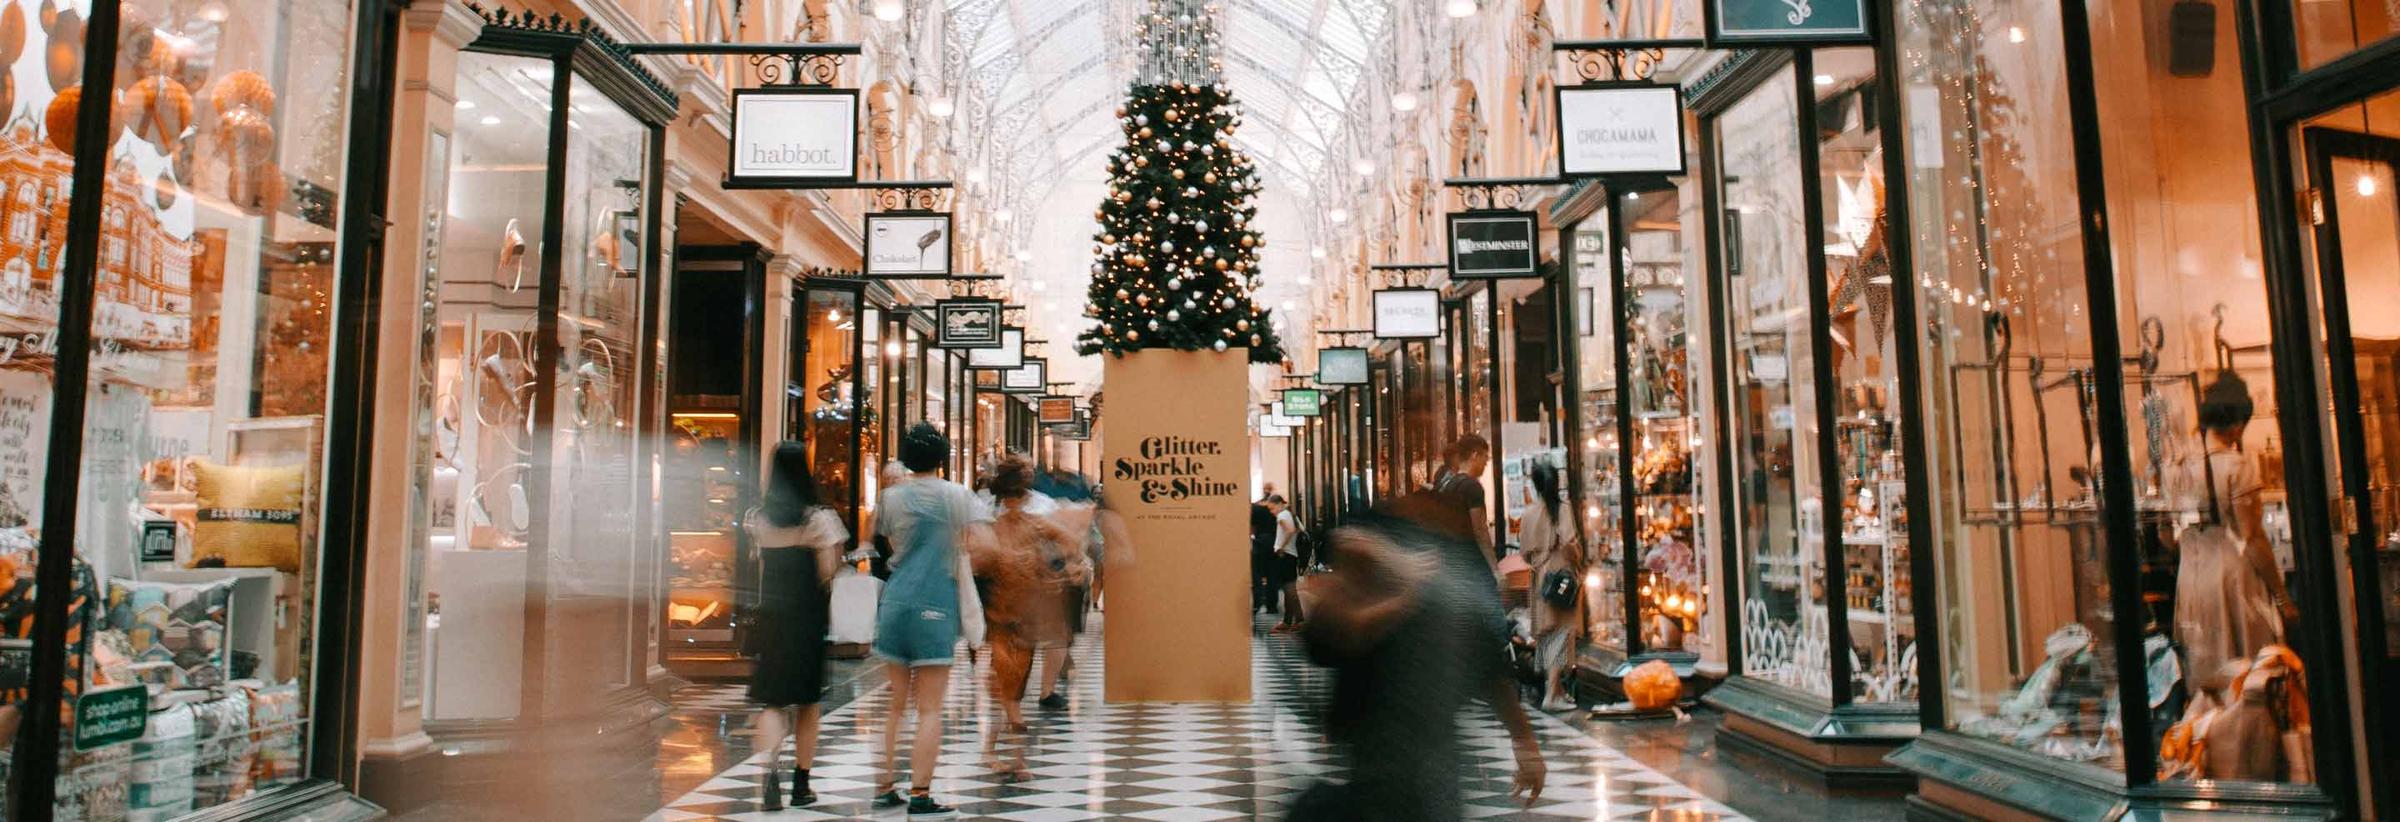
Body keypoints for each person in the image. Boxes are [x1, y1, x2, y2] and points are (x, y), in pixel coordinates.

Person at [1288, 509, 1545, 821]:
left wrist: (1524, 741)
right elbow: (1331, 635)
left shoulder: (1432, 601)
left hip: (1422, 761)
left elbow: (1488, 668)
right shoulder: (1368, 601)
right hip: (1381, 759)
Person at [868, 423, 994, 816]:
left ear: (905, 458)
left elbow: (879, 539)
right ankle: (920, 794)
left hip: (895, 601)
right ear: (942, 459)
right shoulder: (958, 497)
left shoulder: (890, 498)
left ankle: (884, 787)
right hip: (935, 603)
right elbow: (987, 546)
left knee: (894, 705)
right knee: (930, 708)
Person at [2171, 372, 2296, 697]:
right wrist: (2281, 597)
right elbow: (2252, 540)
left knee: (2205, 676)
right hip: (2233, 582)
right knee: (2247, 675)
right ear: (2238, 423)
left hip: (2192, 581)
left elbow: (2165, 535)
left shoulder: (2179, 466)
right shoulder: (2236, 467)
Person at [969, 455, 1093, 779]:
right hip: (1023, 612)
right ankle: (1006, 753)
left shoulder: (991, 521)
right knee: (1009, 687)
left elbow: (976, 560)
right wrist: (1066, 567)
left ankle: (1005, 753)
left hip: (1000, 613)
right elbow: (1070, 542)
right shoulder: (1036, 521)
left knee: (1005, 686)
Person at [745, 443, 848, 809]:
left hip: (772, 618)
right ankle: (801, 783)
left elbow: (759, 565)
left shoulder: (758, 519)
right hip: (806, 620)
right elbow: (827, 571)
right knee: (807, 702)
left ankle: (769, 774)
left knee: (773, 701)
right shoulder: (818, 521)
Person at [1520, 461, 1585, 712]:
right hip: (1560, 576)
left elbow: (1525, 552)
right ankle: (1551, 693)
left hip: (1539, 577)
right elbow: (1569, 542)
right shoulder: (1562, 509)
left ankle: (1556, 689)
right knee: (1562, 630)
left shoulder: (1528, 514)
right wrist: (1577, 559)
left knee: (1547, 633)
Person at [1429, 435, 1495, 570]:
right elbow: (1480, 530)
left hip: (1447, 560)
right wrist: (1494, 568)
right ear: (1474, 455)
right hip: (1468, 562)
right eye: (1485, 459)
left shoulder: (1447, 484)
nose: (1485, 464)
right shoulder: (1473, 487)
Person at [1268, 494, 1304, 633]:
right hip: (1292, 555)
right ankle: (1287, 621)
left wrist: (1282, 546)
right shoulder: (1290, 514)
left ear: (1278, 504)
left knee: (1289, 589)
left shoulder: (1282, 516)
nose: (1272, 512)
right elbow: (1300, 529)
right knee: (1289, 588)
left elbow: (1290, 530)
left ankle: (1299, 620)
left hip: (1285, 555)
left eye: (1272, 508)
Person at [1252, 490, 1279, 614]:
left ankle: (1257, 604)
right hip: (1273, 542)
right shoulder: (1270, 510)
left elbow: (1251, 529)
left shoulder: (1254, 510)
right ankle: (1271, 606)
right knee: (1272, 574)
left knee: (1257, 574)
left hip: (1261, 543)